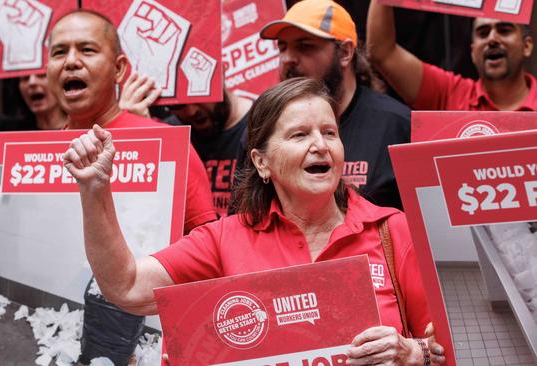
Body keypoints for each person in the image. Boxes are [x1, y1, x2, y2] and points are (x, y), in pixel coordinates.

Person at [64, 77, 446, 366]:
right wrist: (95, 189)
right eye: (299, 134)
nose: (321, 145)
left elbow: (451, 347)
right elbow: (126, 286)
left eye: (329, 132)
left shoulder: (393, 230)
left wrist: (414, 353)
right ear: (262, 162)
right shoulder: (224, 238)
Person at [45, 10, 216, 365]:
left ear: (120, 68)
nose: (71, 62)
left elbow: (208, 250)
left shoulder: (166, 144)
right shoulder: (38, 153)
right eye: (59, 52)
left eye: (87, 50)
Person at [256, 0, 409, 210]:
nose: (288, 58)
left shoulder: (396, 125)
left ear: (345, 52)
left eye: (305, 46)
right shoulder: (263, 126)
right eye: (282, 47)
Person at [367, 2, 536, 111]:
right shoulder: (449, 94)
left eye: (504, 30)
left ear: (527, 46)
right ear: (472, 51)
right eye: (482, 33)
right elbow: (383, 53)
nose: (492, 39)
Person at [164, 89, 252, 217]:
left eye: (198, 94)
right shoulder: (169, 132)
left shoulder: (264, 125)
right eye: (178, 105)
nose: (191, 111)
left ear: (221, 72)